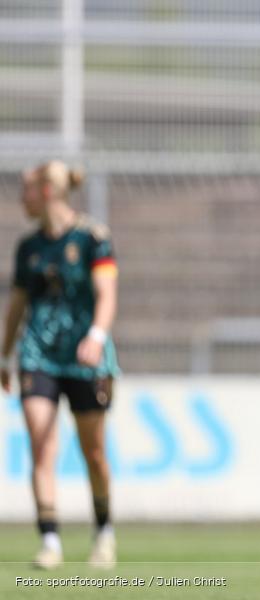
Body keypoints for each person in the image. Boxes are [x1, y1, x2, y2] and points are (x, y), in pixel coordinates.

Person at [1, 160, 120, 569]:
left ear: (47, 192)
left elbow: (106, 294)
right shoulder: (28, 247)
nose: (22, 199)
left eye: (27, 191)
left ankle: (104, 531)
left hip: (86, 356)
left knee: (94, 452)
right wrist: (5, 353)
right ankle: (49, 541)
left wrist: (97, 336)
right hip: (39, 355)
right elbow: (17, 304)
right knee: (40, 445)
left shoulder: (93, 239)